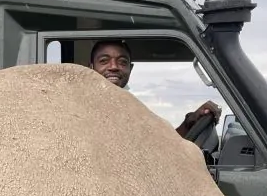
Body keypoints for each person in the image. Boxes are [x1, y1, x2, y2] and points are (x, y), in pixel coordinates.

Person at [88, 39, 220, 137]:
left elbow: (159, 145)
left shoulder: (132, 108)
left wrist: (189, 123)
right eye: (104, 61)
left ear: (130, 68)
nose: (114, 67)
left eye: (122, 62)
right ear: (91, 67)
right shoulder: (80, 104)